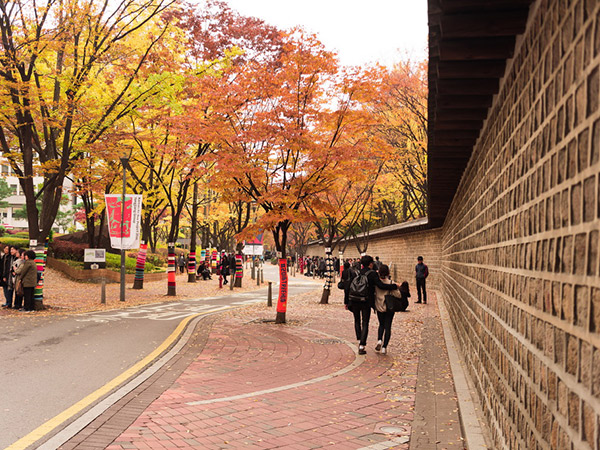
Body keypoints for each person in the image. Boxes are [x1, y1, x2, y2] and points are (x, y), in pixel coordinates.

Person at [347, 255, 398, 355]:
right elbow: (381, 285)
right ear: (370, 264)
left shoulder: (356, 272)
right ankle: (362, 345)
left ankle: (359, 340)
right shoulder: (372, 274)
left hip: (354, 300)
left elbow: (348, 287)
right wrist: (394, 286)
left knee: (357, 320)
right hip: (366, 301)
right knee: (365, 322)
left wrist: (347, 301)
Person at [374, 265, 404, 355]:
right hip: (389, 307)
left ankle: (379, 340)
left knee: (381, 324)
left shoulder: (377, 283)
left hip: (379, 306)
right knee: (388, 327)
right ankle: (384, 347)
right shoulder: (391, 283)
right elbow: (398, 295)